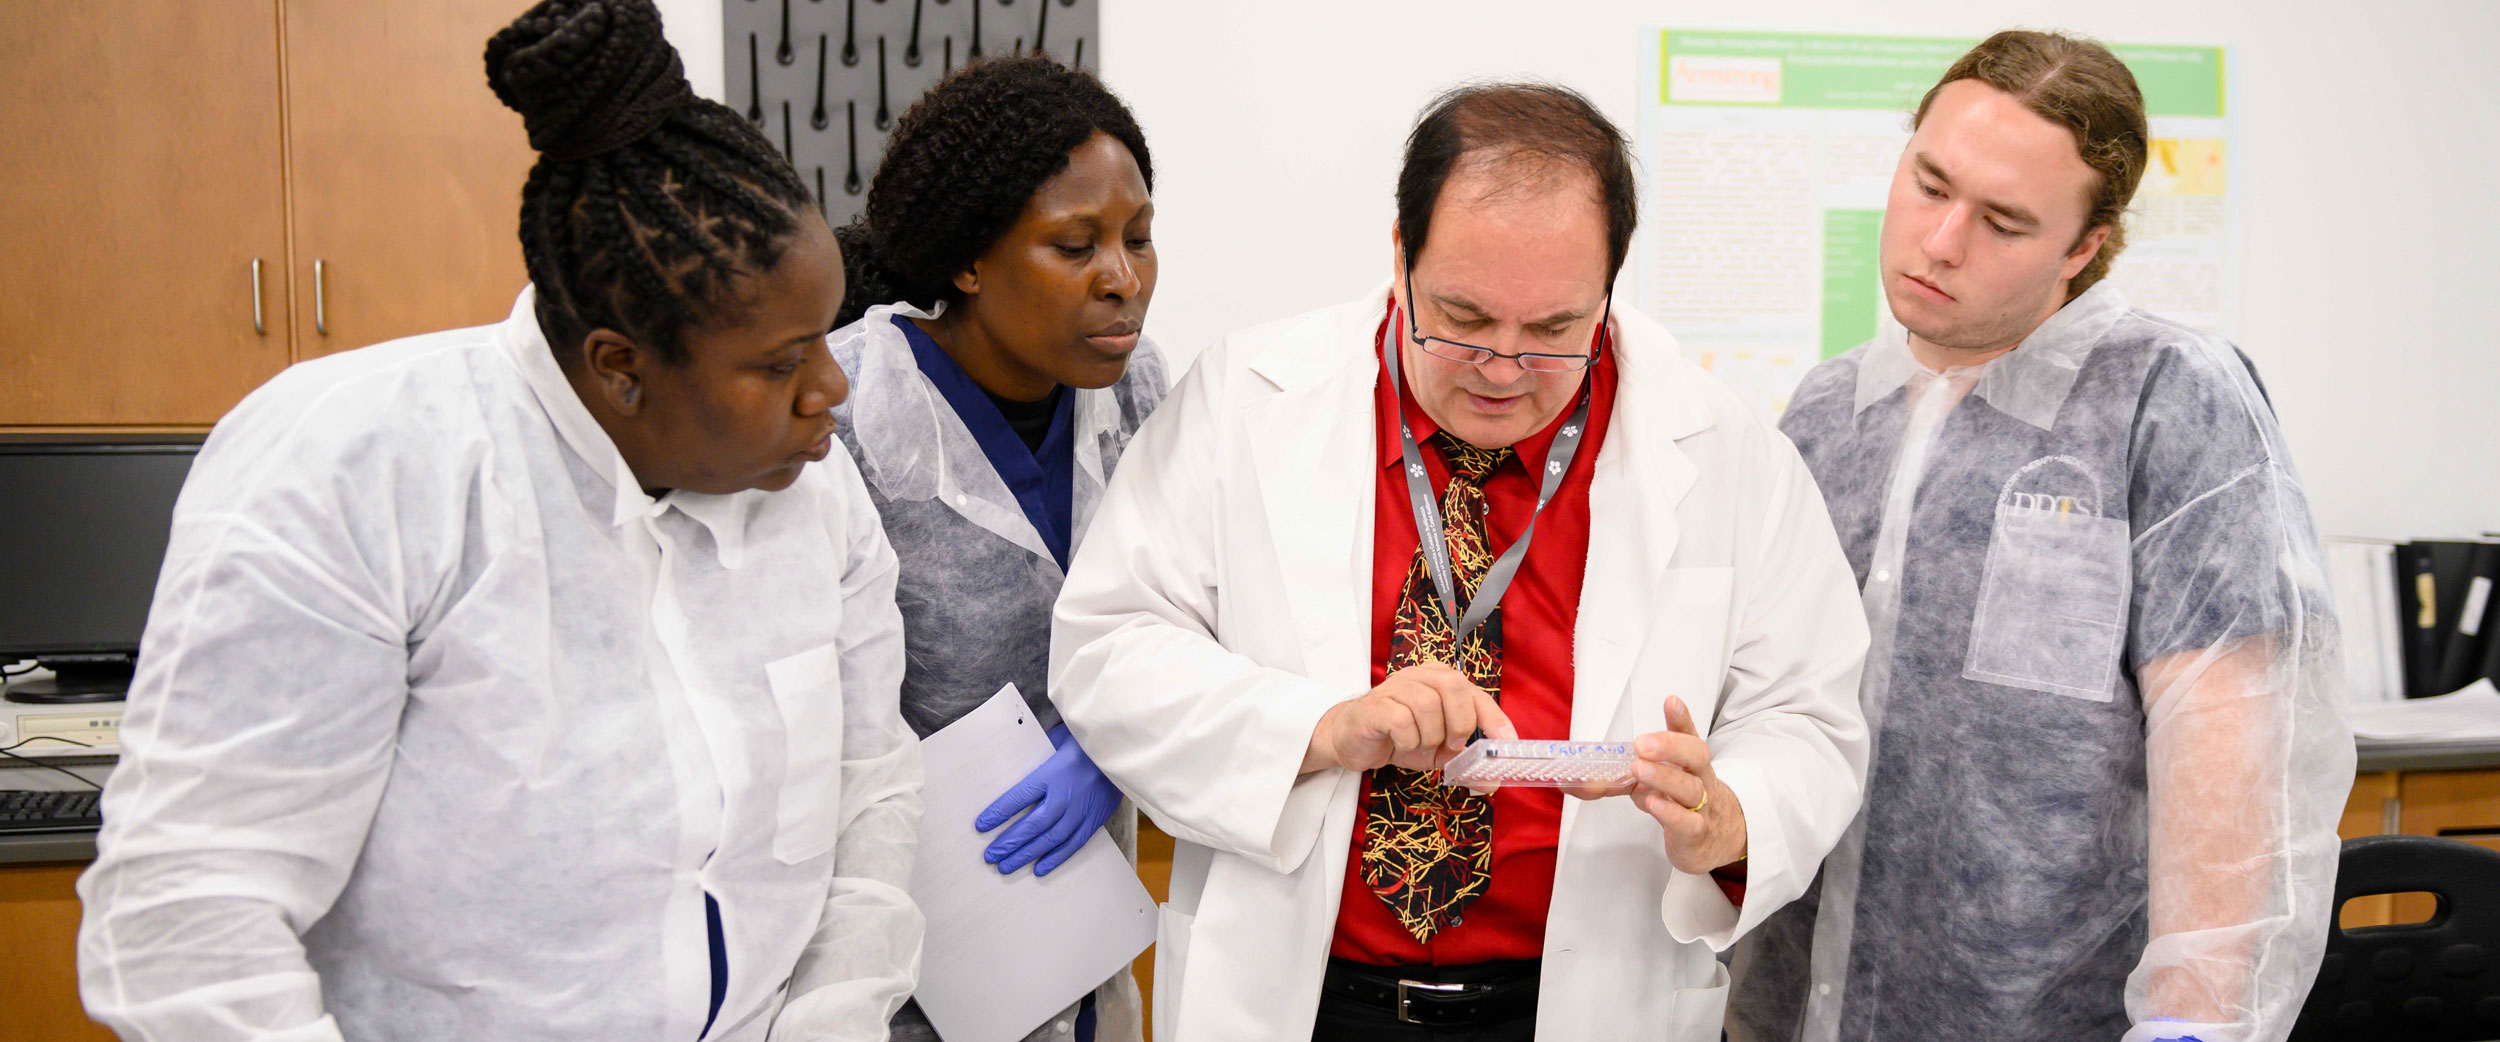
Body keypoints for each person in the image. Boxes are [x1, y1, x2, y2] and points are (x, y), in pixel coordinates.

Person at [75, 2, 923, 1039]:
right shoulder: (364, 462)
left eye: (825, 341)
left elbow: (867, 794)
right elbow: (188, 914)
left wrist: (831, 1020)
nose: (830, 388)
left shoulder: (814, 492)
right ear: (620, 367)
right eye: (781, 363)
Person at [1048, 83, 1873, 1042]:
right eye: (1464, 318)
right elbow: (1110, 646)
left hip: (1582, 1002)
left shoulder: (1726, 452)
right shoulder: (1245, 399)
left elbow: (1809, 715)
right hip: (1305, 997)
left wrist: (1735, 821)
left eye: (1556, 332)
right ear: (1400, 256)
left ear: (1610, 289)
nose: (1502, 367)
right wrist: (1319, 727)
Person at [1728, 30, 2350, 1042]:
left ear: (2085, 245)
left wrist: (2191, 1025)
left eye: (2002, 222)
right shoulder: (1829, 408)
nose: (1939, 241)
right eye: (1928, 184)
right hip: (1793, 1009)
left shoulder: (2166, 399)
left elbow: (2235, 765)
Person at [826, 54, 1165, 1042]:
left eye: (1138, 238)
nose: (1121, 279)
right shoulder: (844, 412)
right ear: (968, 261)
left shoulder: (1138, 391)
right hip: (910, 927)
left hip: (1082, 916)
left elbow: (1191, 613)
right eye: (1075, 245)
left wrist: (1112, 748)